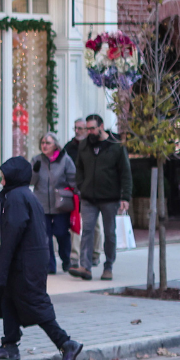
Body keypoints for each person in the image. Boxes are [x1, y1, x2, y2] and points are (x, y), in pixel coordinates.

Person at [0, 156, 86, 360]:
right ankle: (9, 345)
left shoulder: (16, 197)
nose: (2, 181)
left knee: (35, 303)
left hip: (24, 261)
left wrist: (3, 264)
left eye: (4, 177)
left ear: (13, 177)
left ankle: (66, 343)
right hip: (30, 258)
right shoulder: (25, 196)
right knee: (8, 297)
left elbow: (13, 233)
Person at [69, 114, 131, 281]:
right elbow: (79, 168)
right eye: (87, 129)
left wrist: (125, 197)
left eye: (92, 128)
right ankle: (85, 267)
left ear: (101, 127)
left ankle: (108, 266)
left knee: (109, 233)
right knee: (87, 231)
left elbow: (125, 172)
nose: (89, 132)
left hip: (110, 198)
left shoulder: (116, 145)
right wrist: (81, 185)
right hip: (89, 197)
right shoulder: (84, 145)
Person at [33, 132, 77, 274]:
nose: (44, 146)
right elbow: (31, 181)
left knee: (61, 232)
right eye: (43, 143)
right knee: (45, 236)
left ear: (55, 145)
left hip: (61, 203)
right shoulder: (36, 160)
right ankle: (49, 265)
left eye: (48, 143)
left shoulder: (65, 160)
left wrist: (77, 195)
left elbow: (73, 178)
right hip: (42, 204)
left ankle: (66, 260)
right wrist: (34, 171)